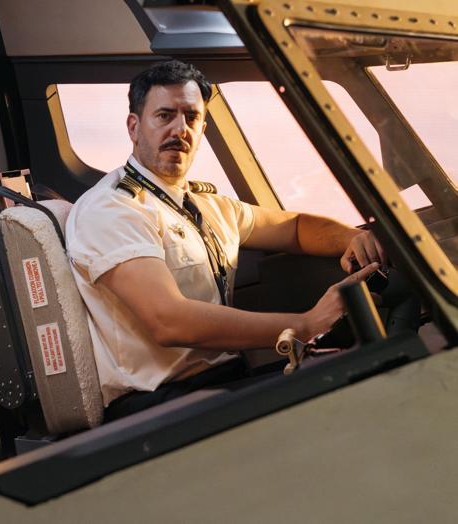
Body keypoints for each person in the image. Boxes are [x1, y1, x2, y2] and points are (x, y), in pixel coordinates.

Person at [65, 60, 386, 420]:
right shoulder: (112, 209)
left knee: (366, 379)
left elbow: (294, 227)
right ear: (134, 127)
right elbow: (168, 321)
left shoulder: (204, 205)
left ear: (203, 128)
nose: (179, 129)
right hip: (160, 406)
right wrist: (306, 324)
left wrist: (352, 238)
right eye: (165, 116)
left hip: (221, 382)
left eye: (191, 117)